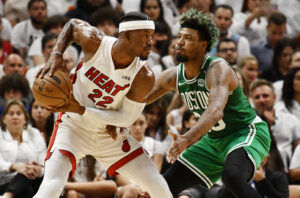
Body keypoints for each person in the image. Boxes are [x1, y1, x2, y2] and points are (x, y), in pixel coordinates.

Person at [33, 11, 172, 198]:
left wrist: (81, 109)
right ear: (128, 35)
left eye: (152, 36)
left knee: (157, 184)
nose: (151, 42)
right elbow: (73, 24)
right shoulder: (95, 42)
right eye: (146, 36)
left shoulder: (143, 75)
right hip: (74, 127)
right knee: (53, 184)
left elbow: (127, 118)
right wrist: (56, 53)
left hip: (110, 134)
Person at [146, 9, 271, 197]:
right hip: (213, 141)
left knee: (232, 176)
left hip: (245, 132)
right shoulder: (173, 76)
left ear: (202, 45)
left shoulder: (218, 68)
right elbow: (139, 98)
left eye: (187, 38)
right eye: (179, 36)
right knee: (161, 189)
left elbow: (215, 112)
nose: (179, 42)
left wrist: (186, 139)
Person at [0, 99, 46, 198]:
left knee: (27, 174)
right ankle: (9, 194)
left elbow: (45, 165)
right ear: (3, 119)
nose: (15, 117)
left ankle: (8, 196)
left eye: (19, 113)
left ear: (25, 118)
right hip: (5, 183)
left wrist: (39, 170)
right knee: (25, 184)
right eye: (11, 113)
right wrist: (15, 166)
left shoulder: (35, 134)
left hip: (34, 180)